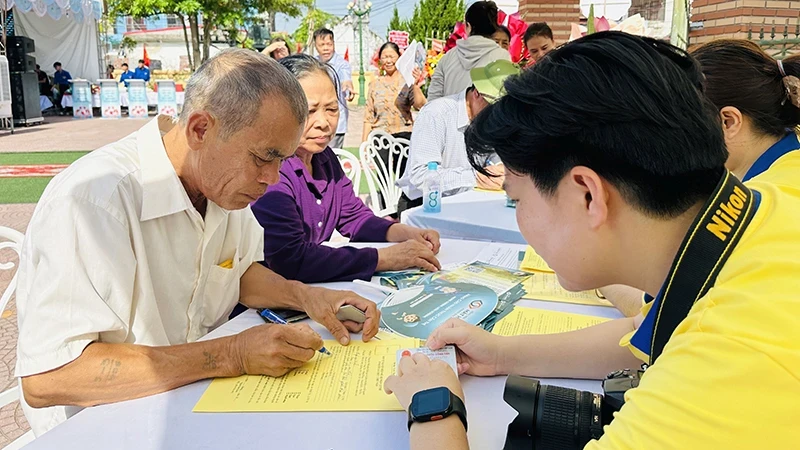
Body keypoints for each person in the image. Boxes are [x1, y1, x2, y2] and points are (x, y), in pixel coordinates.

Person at [385, 32, 800, 449]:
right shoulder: (775, 197)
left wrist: (433, 408)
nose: (520, 219)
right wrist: (499, 354)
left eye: (517, 199)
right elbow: (646, 332)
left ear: (587, 194)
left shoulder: (724, 366)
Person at [15, 49, 380, 437]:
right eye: (262, 158)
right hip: (103, 427)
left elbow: (237, 271)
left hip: (193, 404)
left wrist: (308, 298)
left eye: (282, 161)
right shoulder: (95, 202)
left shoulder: (221, 187)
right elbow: (49, 377)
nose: (273, 179)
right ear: (200, 130)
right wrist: (231, 354)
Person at [603, 40, 800, 317]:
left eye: (682, 128)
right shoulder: (782, 167)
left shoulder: (756, 208)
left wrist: (601, 273)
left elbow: (670, 317)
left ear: (728, 122)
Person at [251, 54, 441, 284]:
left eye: (331, 109)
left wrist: (403, 232)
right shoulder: (271, 173)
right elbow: (290, 260)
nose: (324, 122)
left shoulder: (324, 158)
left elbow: (354, 217)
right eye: (310, 111)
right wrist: (383, 258)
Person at [396, 60, 519, 215]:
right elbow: (421, 176)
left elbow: (494, 162)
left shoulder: (492, 120)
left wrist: (501, 171)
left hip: (468, 201)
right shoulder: (436, 114)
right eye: (495, 108)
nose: (499, 117)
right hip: (423, 205)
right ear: (477, 93)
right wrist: (477, 177)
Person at [427, 1, 510, 101]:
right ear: (494, 27)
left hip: (449, 115)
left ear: (468, 26)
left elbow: (433, 99)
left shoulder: (448, 57)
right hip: (485, 116)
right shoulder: (502, 57)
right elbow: (504, 99)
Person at [362, 42, 427, 142]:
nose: (388, 61)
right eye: (384, 57)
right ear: (379, 60)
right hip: (380, 139)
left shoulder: (407, 81)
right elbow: (368, 118)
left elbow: (420, 105)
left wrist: (415, 85)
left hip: (404, 138)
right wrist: (364, 145)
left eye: (392, 57)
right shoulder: (374, 85)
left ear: (399, 57)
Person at [314, 28, 355, 149]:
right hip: (316, 120)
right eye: (322, 45)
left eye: (329, 44)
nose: (326, 48)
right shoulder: (312, 64)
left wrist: (348, 87)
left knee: (333, 157)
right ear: (316, 46)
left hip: (335, 122)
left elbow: (346, 79)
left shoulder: (342, 64)